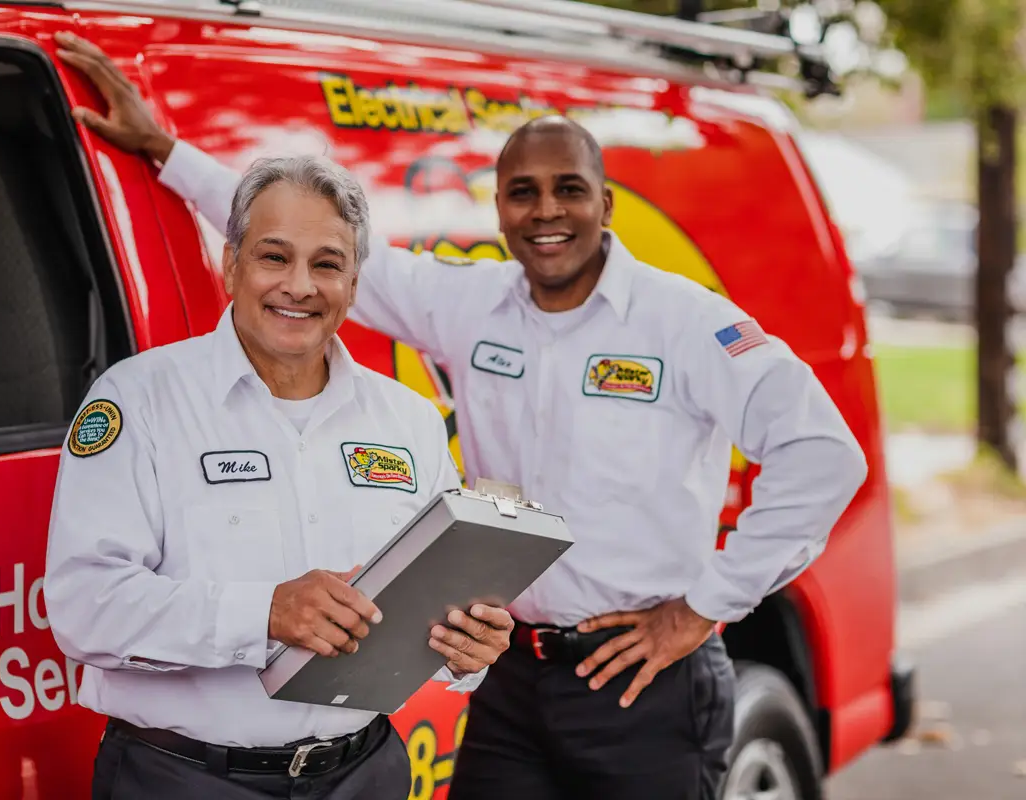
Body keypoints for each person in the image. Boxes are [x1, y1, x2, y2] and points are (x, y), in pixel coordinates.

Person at [53, 31, 869, 800]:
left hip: (639, 675)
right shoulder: (469, 305)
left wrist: (703, 609)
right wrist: (166, 152)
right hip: (514, 674)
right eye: (523, 192)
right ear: (500, 208)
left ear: (607, 203)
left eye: (568, 190)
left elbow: (824, 456)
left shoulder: (687, 323)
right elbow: (303, 240)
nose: (545, 211)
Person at [43, 147, 514, 800]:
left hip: (365, 773)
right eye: (274, 257)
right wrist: (263, 612)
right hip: (186, 780)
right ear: (231, 265)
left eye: (328, 264)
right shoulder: (137, 401)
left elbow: (431, 606)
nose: (300, 285)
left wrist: (466, 649)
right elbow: (83, 610)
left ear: (353, 284)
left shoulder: (407, 420)